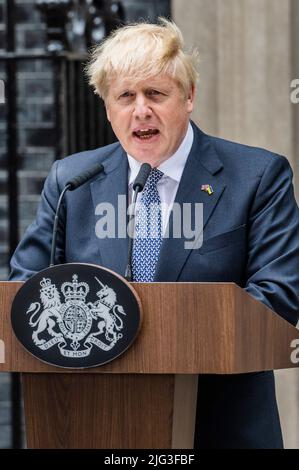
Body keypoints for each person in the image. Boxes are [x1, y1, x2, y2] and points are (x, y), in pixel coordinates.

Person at [9, 18, 299, 449]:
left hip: (221, 425)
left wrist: (160, 333)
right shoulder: (72, 181)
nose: (140, 110)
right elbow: (25, 287)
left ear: (189, 98)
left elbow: (279, 296)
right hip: (96, 420)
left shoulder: (256, 176)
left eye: (156, 94)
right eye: (125, 96)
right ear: (107, 107)